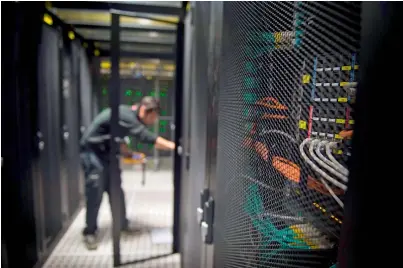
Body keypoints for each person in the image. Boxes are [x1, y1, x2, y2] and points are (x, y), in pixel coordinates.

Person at [79, 96, 175, 250]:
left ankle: (122, 225)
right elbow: (147, 137)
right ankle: (89, 232)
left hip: (107, 154)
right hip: (92, 153)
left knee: (116, 190)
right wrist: (174, 146)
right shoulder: (126, 116)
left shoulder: (126, 115)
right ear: (144, 110)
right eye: (153, 117)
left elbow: (119, 138)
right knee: (95, 191)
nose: (154, 121)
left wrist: (129, 154)